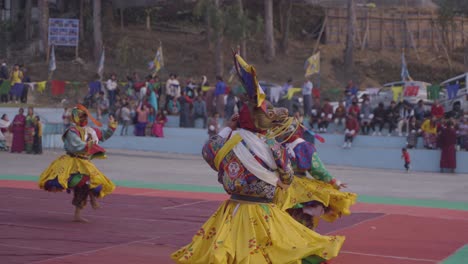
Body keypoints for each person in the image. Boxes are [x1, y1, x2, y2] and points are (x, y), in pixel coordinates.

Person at [172, 54, 344, 264]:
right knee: (278, 251)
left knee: (226, 253)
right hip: (262, 212)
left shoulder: (225, 144)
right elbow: (287, 178)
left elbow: (208, 151)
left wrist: (229, 127)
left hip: (232, 210)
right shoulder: (272, 146)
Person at [38, 104, 117, 222]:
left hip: (85, 162)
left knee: (88, 182)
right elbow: (77, 145)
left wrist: (111, 127)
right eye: (81, 116)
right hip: (72, 162)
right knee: (80, 181)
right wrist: (88, 145)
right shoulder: (72, 131)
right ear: (75, 118)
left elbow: (104, 135)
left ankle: (79, 213)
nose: (84, 119)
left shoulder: (91, 131)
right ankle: (90, 202)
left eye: (84, 116)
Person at [273, 119, 357, 230]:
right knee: (302, 222)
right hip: (298, 187)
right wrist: (333, 181)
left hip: (277, 186)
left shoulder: (276, 145)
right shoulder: (303, 146)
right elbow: (317, 169)